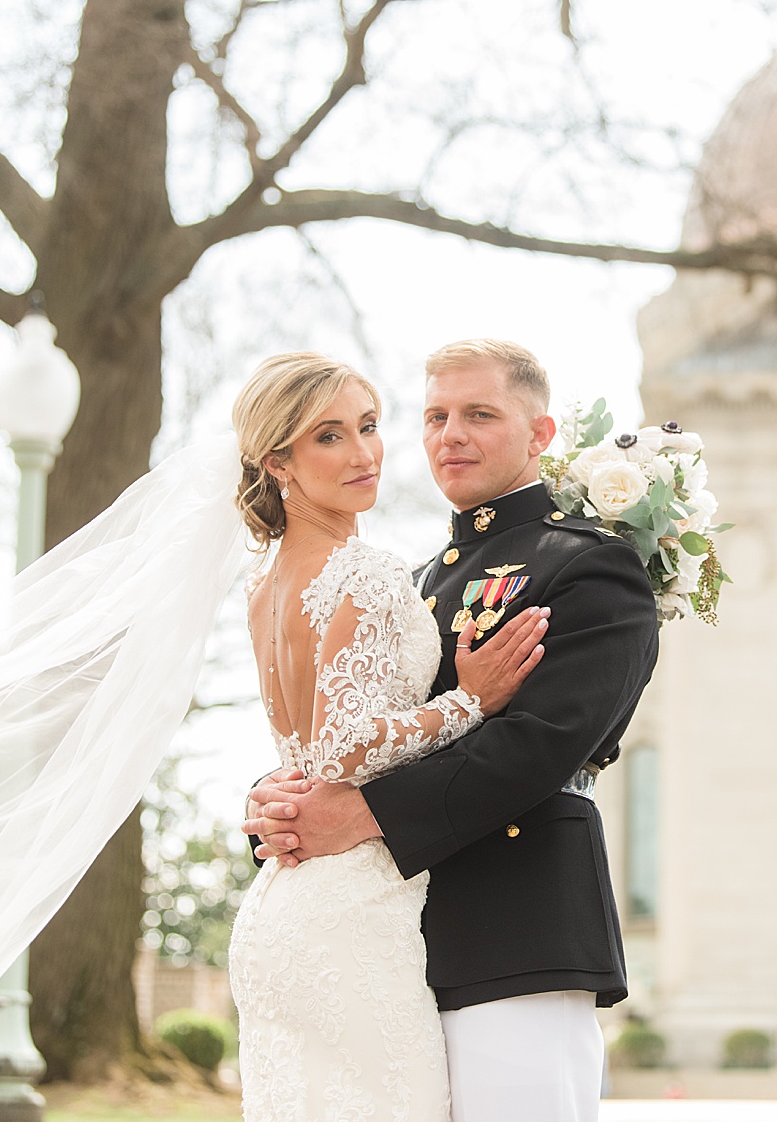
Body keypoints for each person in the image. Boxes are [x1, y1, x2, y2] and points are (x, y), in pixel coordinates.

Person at [244, 339, 661, 1121]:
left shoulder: (590, 567)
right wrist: (279, 801)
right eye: (435, 416)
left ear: (540, 435)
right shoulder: (413, 579)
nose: (450, 435)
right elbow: (352, 728)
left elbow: (539, 743)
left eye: (479, 414)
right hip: (387, 940)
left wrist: (359, 815)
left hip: (513, 935)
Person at [221, 352, 552, 1120]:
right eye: (329, 437)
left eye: (369, 426)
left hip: (281, 902)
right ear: (279, 463)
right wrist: (469, 701)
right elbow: (343, 748)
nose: (365, 453)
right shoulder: (364, 572)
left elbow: (304, 749)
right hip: (353, 905)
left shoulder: (265, 583)